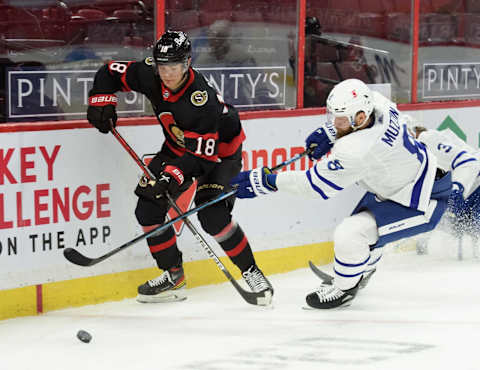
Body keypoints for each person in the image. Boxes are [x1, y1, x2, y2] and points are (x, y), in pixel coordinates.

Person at [86, 30, 273, 304]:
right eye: (163, 65)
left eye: (174, 65)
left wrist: (171, 176)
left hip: (218, 156)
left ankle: (252, 272)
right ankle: (173, 275)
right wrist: (101, 101)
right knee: (148, 207)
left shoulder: (202, 100)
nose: (168, 73)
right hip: (178, 149)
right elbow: (109, 73)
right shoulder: (150, 73)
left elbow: (201, 159)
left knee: (212, 215)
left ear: (187, 63)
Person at [231, 79, 452, 309]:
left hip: (422, 201)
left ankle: (345, 289)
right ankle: (362, 270)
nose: (335, 123)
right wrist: (332, 132)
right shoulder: (379, 104)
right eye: (332, 118)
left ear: (360, 118)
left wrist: (267, 181)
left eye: (341, 120)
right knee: (366, 228)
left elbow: (314, 185)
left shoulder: (357, 151)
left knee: (351, 234)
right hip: (407, 184)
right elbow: (366, 111)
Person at [411, 126, 480, 258]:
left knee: (470, 220)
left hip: (470, 180)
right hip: (466, 181)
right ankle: (424, 241)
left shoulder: (428, 138)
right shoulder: (431, 145)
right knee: (451, 218)